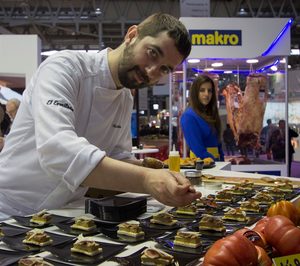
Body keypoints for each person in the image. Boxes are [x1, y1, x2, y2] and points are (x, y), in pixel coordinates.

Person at [0, 13, 201, 220]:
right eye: (152, 53)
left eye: (164, 69)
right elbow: (57, 149)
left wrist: (161, 176)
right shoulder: (64, 67)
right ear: (132, 35)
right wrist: (146, 179)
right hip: (8, 210)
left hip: (59, 214)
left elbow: (117, 157)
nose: (151, 71)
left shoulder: (124, 98)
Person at [180, 75, 224, 161]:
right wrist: (216, 162)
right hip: (202, 166)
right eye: (202, 90)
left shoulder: (210, 114)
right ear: (195, 92)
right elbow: (198, 150)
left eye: (210, 91)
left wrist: (222, 163)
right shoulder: (189, 116)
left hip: (216, 164)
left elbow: (218, 145)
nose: (206, 94)